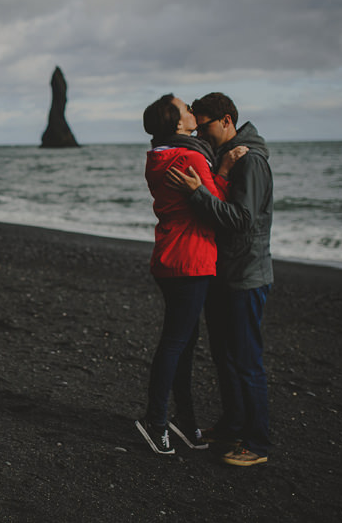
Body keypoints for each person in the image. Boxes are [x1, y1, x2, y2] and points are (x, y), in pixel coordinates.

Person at [166, 92, 274, 467]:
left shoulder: (251, 161)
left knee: (246, 361)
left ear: (226, 120)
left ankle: (257, 443)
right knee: (224, 357)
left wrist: (197, 193)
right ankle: (231, 427)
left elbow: (242, 219)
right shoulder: (224, 158)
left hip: (245, 274)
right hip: (223, 273)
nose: (199, 131)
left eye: (205, 124)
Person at [135, 94, 239, 455]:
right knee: (176, 344)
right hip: (190, 260)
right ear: (177, 123)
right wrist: (223, 171)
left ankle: (184, 419)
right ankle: (157, 422)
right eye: (186, 109)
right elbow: (217, 207)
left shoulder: (158, 155)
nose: (193, 113)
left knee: (184, 344)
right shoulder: (190, 156)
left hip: (169, 257)